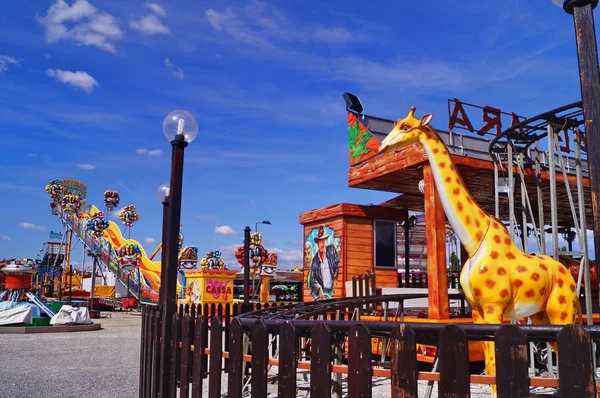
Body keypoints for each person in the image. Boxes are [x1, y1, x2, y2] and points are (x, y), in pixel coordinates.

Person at [308, 226, 340, 300]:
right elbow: (312, 279)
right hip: (324, 293)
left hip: (333, 291)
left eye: (323, 241)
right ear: (317, 244)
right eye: (320, 242)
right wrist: (319, 289)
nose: (322, 244)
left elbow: (338, 265)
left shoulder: (331, 250)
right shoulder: (315, 260)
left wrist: (335, 279)